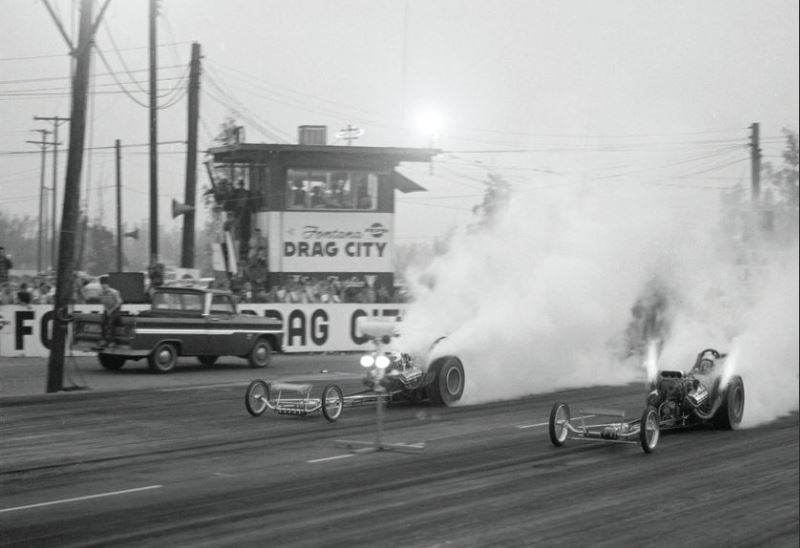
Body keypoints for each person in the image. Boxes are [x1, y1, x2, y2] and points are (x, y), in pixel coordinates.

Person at [98, 275, 123, 348]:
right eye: (102, 285)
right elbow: (104, 303)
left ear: (108, 285)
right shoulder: (101, 293)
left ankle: (112, 341)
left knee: (111, 322)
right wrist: (107, 311)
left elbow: (118, 303)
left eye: (105, 284)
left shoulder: (114, 292)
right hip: (107, 309)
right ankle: (103, 340)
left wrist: (111, 311)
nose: (103, 286)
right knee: (102, 322)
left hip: (116, 308)